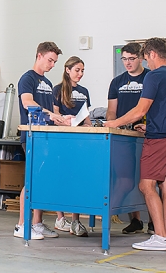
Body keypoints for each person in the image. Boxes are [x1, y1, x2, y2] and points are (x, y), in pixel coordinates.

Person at [104, 38, 166, 251]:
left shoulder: (155, 75)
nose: (145, 63)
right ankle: (163, 235)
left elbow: (140, 111)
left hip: (159, 139)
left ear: (151, 54)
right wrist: (151, 126)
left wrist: (113, 123)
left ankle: (160, 238)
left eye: (144, 58)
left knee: (145, 185)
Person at [14, 41, 69, 240]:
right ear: (39, 56)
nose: (52, 65)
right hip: (32, 136)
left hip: (47, 137)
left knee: (42, 180)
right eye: (50, 60)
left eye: (55, 62)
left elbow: (53, 110)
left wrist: (64, 119)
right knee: (31, 180)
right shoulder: (27, 78)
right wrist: (50, 115)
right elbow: (28, 102)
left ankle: (36, 223)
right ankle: (21, 225)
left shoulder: (46, 83)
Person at [106, 43, 151, 235]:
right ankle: (136, 220)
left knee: (149, 180)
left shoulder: (150, 77)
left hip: (146, 135)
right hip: (123, 136)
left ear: (141, 58)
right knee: (126, 178)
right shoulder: (117, 82)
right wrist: (112, 125)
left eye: (131, 59)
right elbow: (111, 111)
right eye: (124, 59)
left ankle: (156, 223)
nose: (127, 63)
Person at [52, 56, 91, 237]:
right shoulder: (58, 90)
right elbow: (56, 115)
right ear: (67, 70)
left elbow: (87, 118)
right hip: (63, 139)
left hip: (80, 140)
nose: (80, 74)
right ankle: (60, 218)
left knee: (78, 177)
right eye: (77, 70)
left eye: (83, 71)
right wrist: (67, 122)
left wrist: (87, 127)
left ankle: (76, 220)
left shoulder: (84, 91)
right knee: (61, 176)